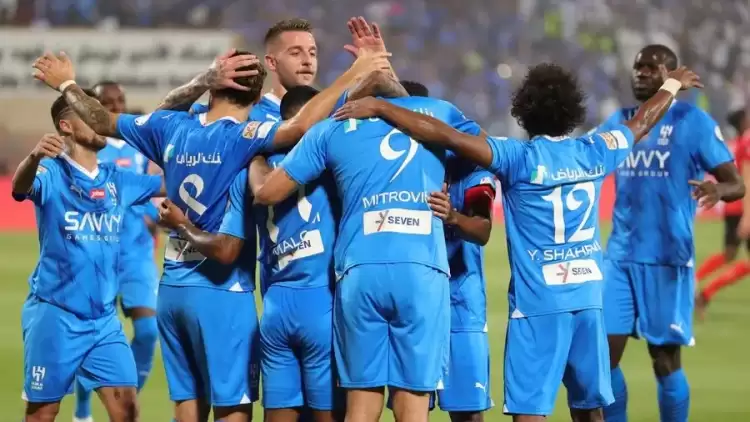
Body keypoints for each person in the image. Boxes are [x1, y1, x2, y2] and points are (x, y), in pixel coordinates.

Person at [31, 48, 390, 422]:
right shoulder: (244, 137)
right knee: (232, 409)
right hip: (222, 293)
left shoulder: (171, 126)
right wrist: (355, 72)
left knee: (188, 406)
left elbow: (101, 120)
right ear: (257, 97)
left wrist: (67, 83)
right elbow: (301, 127)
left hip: (173, 292)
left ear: (214, 86)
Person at [331, 63, 704, 422]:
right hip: (588, 298)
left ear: (524, 111)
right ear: (572, 110)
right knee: (590, 409)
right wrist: (670, 86)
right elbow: (642, 122)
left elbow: (444, 134)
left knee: (529, 411)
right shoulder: (595, 150)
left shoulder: (516, 157)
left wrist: (381, 107)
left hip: (538, 304)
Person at [249, 71, 481, 422]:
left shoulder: (332, 128)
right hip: (421, 271)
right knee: (412, 405)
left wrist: (253, 154)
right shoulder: (438, 113)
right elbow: (482, 147)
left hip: (359, 270)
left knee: (361, 404)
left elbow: (267, 192)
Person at [158, 85, 341, 422]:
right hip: (319, 303)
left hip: (276, 307)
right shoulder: (330, 165)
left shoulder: (251, 167)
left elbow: (173, 118)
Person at [593, 45, 744, 422]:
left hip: (667, 260)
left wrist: (717, 190)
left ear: (672, 75)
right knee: (602, 359)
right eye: (637, 67)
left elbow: (737, 184)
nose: (641, 73)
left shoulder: (693, 122)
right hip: (620, 259)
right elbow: (587, 158)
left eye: (651, 67)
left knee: (664, 361)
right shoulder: (620, 122)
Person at [10, 91, 164, 422]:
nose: (100, 120)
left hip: (104, 321)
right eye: (88, 114)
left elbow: (168, 184)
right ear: (66, 125)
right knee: (43, 413)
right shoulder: (51, 172)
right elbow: (20, 188)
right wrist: (34, 156)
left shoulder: (116, 178)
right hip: (56, 316)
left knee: (127, 409)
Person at [72, 80, 160, 422]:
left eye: (120, 100)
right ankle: (82, 409)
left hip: (136, 254)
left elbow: (146, 193)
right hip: (97, 256)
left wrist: (154, 216)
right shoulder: (86, 146)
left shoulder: (138, 144)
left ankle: (125, 402)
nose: (116, 107)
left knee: (148, 332)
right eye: (107, 102)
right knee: (90, 337)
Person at [430, 159, 496, 422]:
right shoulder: (414, 163)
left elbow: (483, 229)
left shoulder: (473, 172)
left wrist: (453, 217)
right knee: (411, 407)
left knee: (468, 413)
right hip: (417, 300)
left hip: (462, 304)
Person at [695, 108, 750, 318]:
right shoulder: (747, 141)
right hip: (742, 208)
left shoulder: (741, 141)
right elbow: (746, 179)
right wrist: (747, 216)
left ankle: (697, 284)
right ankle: (703, 290)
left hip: (735, 207)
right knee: (731, 255)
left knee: (729, 254)